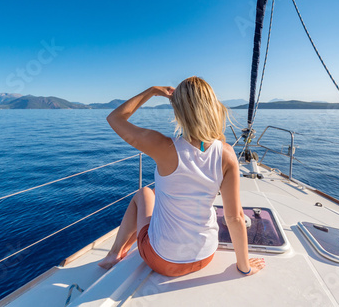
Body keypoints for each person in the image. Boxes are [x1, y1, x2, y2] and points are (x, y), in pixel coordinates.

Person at [98, 76, 265, 277]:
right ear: (212, 107)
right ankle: (124, 248)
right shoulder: (227, 154)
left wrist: (151, 91)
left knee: (143, 193)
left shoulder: (162, 146)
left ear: (178, 111)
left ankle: (114, 254)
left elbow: (115, 118)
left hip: (162, 260)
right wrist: (244, 267)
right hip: (205, 256)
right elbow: (234, 217)